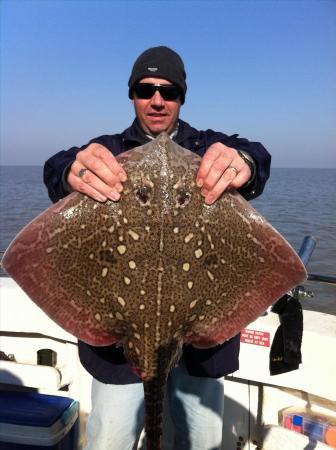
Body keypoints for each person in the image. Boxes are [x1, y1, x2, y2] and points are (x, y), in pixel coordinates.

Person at [44, 46, 271, 450]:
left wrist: (246, 162)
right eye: (146, 89)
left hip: (203, 340)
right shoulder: (109, 151)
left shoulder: (207, 148)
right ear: (132, 94)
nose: (157, 100)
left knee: (201, 442)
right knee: (109, 439)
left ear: (182, 96)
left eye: (169, 91)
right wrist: (69, 171)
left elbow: (257, 156)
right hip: (118, 344)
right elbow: (56, 167)